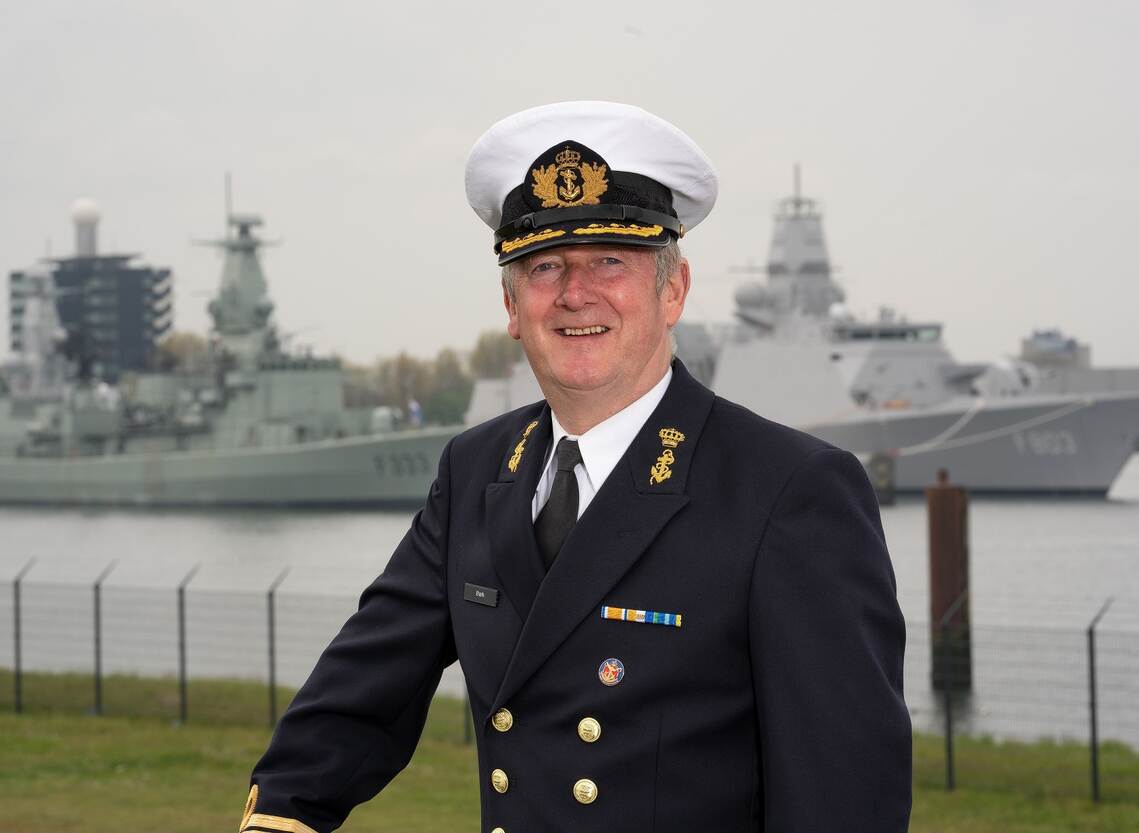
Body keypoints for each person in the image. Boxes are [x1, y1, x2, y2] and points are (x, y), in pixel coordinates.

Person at [240, 101, 911, 833]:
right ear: (511, 304)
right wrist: (279, 814)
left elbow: (842, 792)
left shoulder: (790, 490)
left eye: (610, 262)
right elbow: (361, 691)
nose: (574, 293)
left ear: (673, 290)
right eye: (544, 266)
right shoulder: (475, 471)